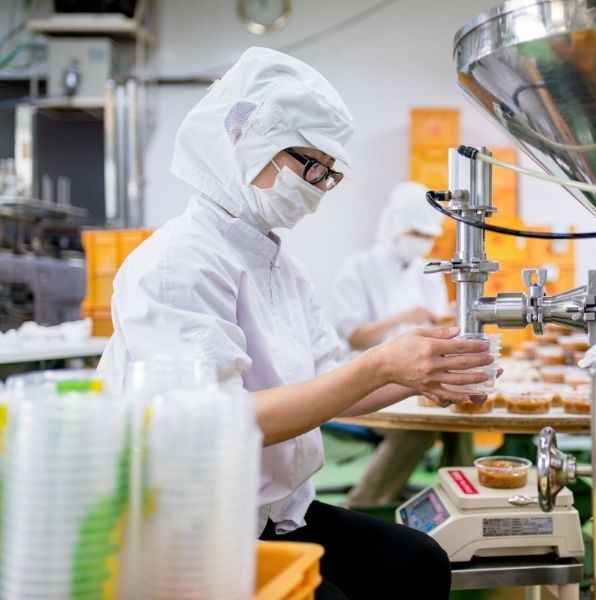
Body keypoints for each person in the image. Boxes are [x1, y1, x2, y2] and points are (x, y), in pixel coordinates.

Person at [96, 48, 493, 600]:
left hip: (272, 511)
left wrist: (418, 376)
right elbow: (218, 424)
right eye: (311, 165)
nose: (317, 185)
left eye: (329, 174)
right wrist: (383, 362)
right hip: (195, 528)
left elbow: (331, 379)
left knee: (417, 561)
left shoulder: (276, 263)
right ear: (248, 142)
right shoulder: (177, 264)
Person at [331, 183, 472, 507]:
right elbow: (356, 336)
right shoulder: (359, 268)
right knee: (419, 427)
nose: (422, 241)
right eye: (415, 232)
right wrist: (404, 317)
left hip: (421, 375)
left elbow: (438, 327)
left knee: (461, 416)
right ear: (394, 225)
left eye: (428, 235)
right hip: (370, 380)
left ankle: (461, 502)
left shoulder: (429, 271)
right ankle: (366, 506)